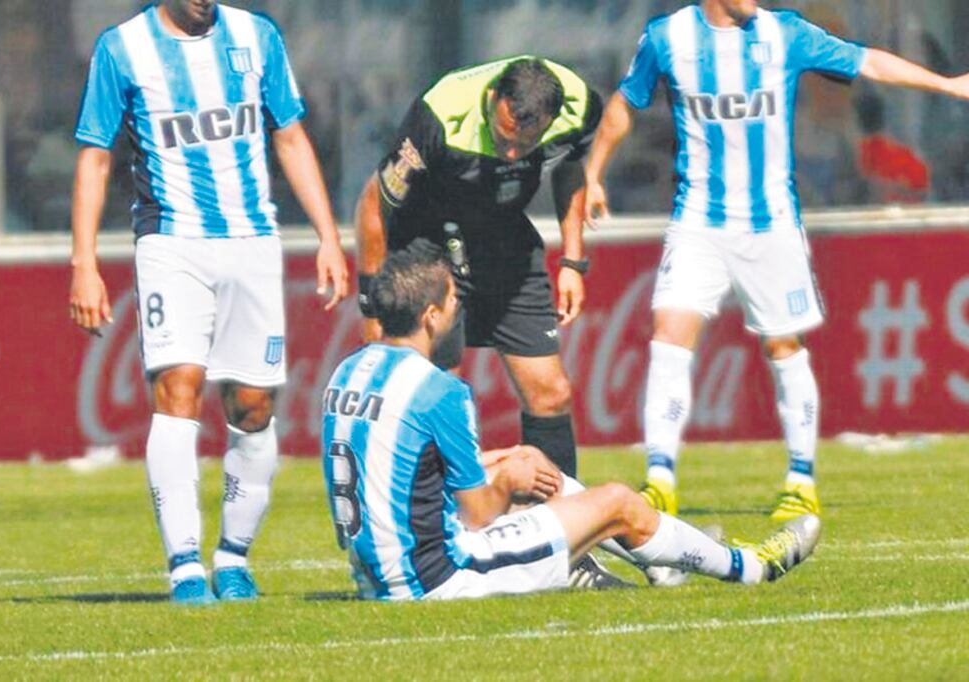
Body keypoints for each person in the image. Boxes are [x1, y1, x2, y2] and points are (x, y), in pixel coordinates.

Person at [583, 0, 969, 522]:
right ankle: (659, 479)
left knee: (784, 346)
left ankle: (801, 479)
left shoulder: (783, 33)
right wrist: (592, 173)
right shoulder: (667, 37)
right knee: (668, 335)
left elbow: (868, 61)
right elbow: (625, 104)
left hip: (771, 227)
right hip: (698, 222)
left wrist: (948, 85)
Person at [321, 244, 820, 601]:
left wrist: (512, 463)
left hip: (377, 572)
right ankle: (751, 567)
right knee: (619, 501)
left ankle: (661, 562)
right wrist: (509, 481)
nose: (459, 310)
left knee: (529, 462)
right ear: (431, 316)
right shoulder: (440, 391)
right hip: (441, 577)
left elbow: (399, 472)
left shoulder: (350, 369)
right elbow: (476, 514)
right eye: (453, 300)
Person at [69, 0, 348, 605]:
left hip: (252, 242)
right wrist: (84, 261)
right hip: (171, 242)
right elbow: (95, 155)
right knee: (178, 391)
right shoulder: (123, 49)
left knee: (251, 406)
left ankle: (235, 558)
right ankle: (185, 566)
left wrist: (329, 235)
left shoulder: (258, 36)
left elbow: (291, 136)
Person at [354, 56, 603, 480]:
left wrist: (573, 261)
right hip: (429, 246)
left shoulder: (579, 106)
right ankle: (436, 527)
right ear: (492, 99)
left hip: (504, 241)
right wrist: (372, 304)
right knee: (435, 395)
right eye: (503, 136)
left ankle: (562, 531)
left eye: (524, 145)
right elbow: (374, 204)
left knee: (551, 393)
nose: (509, 152)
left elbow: (569, 170)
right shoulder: (439, 117)